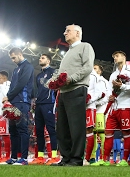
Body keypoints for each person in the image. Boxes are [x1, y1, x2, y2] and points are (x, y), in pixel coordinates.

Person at [51, 24, 95, 166]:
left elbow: (88, 67)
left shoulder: (85, 46)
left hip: (76, 88)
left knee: (76, 127)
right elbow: (61, 73)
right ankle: (66, 158)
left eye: (68, 31)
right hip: (63, 92)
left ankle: (76, 159)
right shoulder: (68, 52)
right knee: (62, 128)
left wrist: (71, 79)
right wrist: (54, 81)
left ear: (77, 33)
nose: (65, 33)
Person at [91, 50, 130, 166]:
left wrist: (122, 86)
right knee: (108, 133)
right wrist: (110, 96)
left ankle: (124, 160)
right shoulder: (113, 74)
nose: (115, 58)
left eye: (117, 56)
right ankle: (105, 159)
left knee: (127, 133)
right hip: (114, 108)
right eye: (114, 57)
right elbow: (108, 90)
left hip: (126, 106)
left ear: (124, 57)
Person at [2, 47, 34, 165]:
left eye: (14, 57)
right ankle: (14, 157)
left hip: (22, 102)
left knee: (22, 129)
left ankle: (24, 158)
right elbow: (12, 86)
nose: (13, 60)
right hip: (13, 102)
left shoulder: (28, 67)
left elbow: (22, 83)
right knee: (13, 130)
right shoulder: (16, 70)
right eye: (11, 58)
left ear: (20, 54)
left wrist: (9, 96)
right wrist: (9, 98)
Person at [30, 54, 58, 165]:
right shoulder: (38, 75)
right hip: (39, 104)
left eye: (42, 58)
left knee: (51, 130)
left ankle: (54, 156)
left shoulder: (54, 72)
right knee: (39, 131)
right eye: (40, 58)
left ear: (48, 60)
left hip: (49, 103)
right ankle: (40, 157)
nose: (40, 59)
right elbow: (38, 90)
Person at [89, 64, 110, 163]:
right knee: (91, 135)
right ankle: (92, 157)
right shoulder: (90, 80)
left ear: (100, 71)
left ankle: (103, 157)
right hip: (90, 109)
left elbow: (107, 97)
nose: (92, 70)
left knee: (101, 135)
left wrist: (94, 102)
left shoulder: (104, 82)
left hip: (100, 111)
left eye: (95, 68)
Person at [84, 69, 102, 165]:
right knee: (77, 133)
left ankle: (87, 159)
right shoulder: (80, 72)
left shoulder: (95, 76)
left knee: (89, 132)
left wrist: (89, 100)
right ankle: (76, 157)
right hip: (77, 107)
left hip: (89, 107)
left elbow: (99, 93)